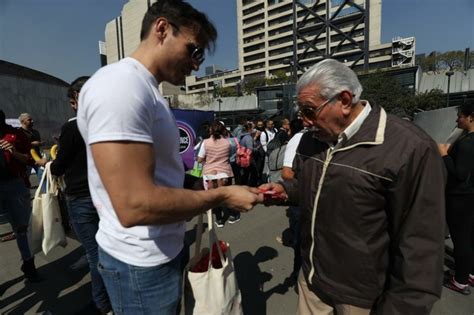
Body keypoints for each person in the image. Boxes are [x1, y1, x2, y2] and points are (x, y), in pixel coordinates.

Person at [77, 1, 262, 313]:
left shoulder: (146, 90)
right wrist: (222, 195)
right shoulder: (121, 88)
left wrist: (197, 192)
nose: (196, 64)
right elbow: (135, 205)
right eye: (193, 50)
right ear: (161, 29)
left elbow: (160, 178)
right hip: (139, 263)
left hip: (158, 254)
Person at [259, 59, 446, 314]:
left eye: (309, 110)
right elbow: (308, 185)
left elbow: (421, 243)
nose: (304, 121)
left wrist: (401, 308)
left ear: (345, 101)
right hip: (312, 283)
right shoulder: (312, 140)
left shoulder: (410, 148)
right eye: (301, 112)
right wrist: (286, 191)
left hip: (363, 298)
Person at [50, 76, 112, 314]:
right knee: (107, 248)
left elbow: (60, 166)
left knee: (94, 252)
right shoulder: (106, 121)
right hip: (106, 196)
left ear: (76, 98)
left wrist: (50, 164)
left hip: (81, 197)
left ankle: (101, 303)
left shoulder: (73, 126)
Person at [0, 110, 43, 282]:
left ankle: (29, 264)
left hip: (14, 185)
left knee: (22, 228)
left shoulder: (15, 135)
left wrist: (13, 151)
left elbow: (29, 160)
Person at [438, 103, 474, 295]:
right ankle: (468, 273)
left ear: (470, 117)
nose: (457, 119)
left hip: (460, 197)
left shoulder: (468, 143)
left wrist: (444, 154)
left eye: (460, 116)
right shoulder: (468, 139)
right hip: (470, 196)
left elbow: (459, 173)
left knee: (461, 240)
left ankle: (459, 281)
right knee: (469, 238)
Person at [198, 121, 240, 227]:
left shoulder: (205, 142)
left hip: (209, 173)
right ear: (223, 130)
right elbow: (229, 155)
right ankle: (232, 215)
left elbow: (199, 159)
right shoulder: (227, 142)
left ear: (211, 130)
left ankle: (219, 219)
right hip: (225, 172)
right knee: (227, 196)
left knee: (214, 198)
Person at [18, 113, 43, 179]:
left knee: (43, 177)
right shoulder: (18, 133)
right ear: (22, 121)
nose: (32, 121)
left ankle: (45, 189)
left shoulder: (35, 132)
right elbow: (18, 146)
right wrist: (31, 144)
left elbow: (39, 143)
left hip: (37, 159)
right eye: (29, 120)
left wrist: (40, 143)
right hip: (25, 161)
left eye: (32, 119)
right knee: (24, 180)